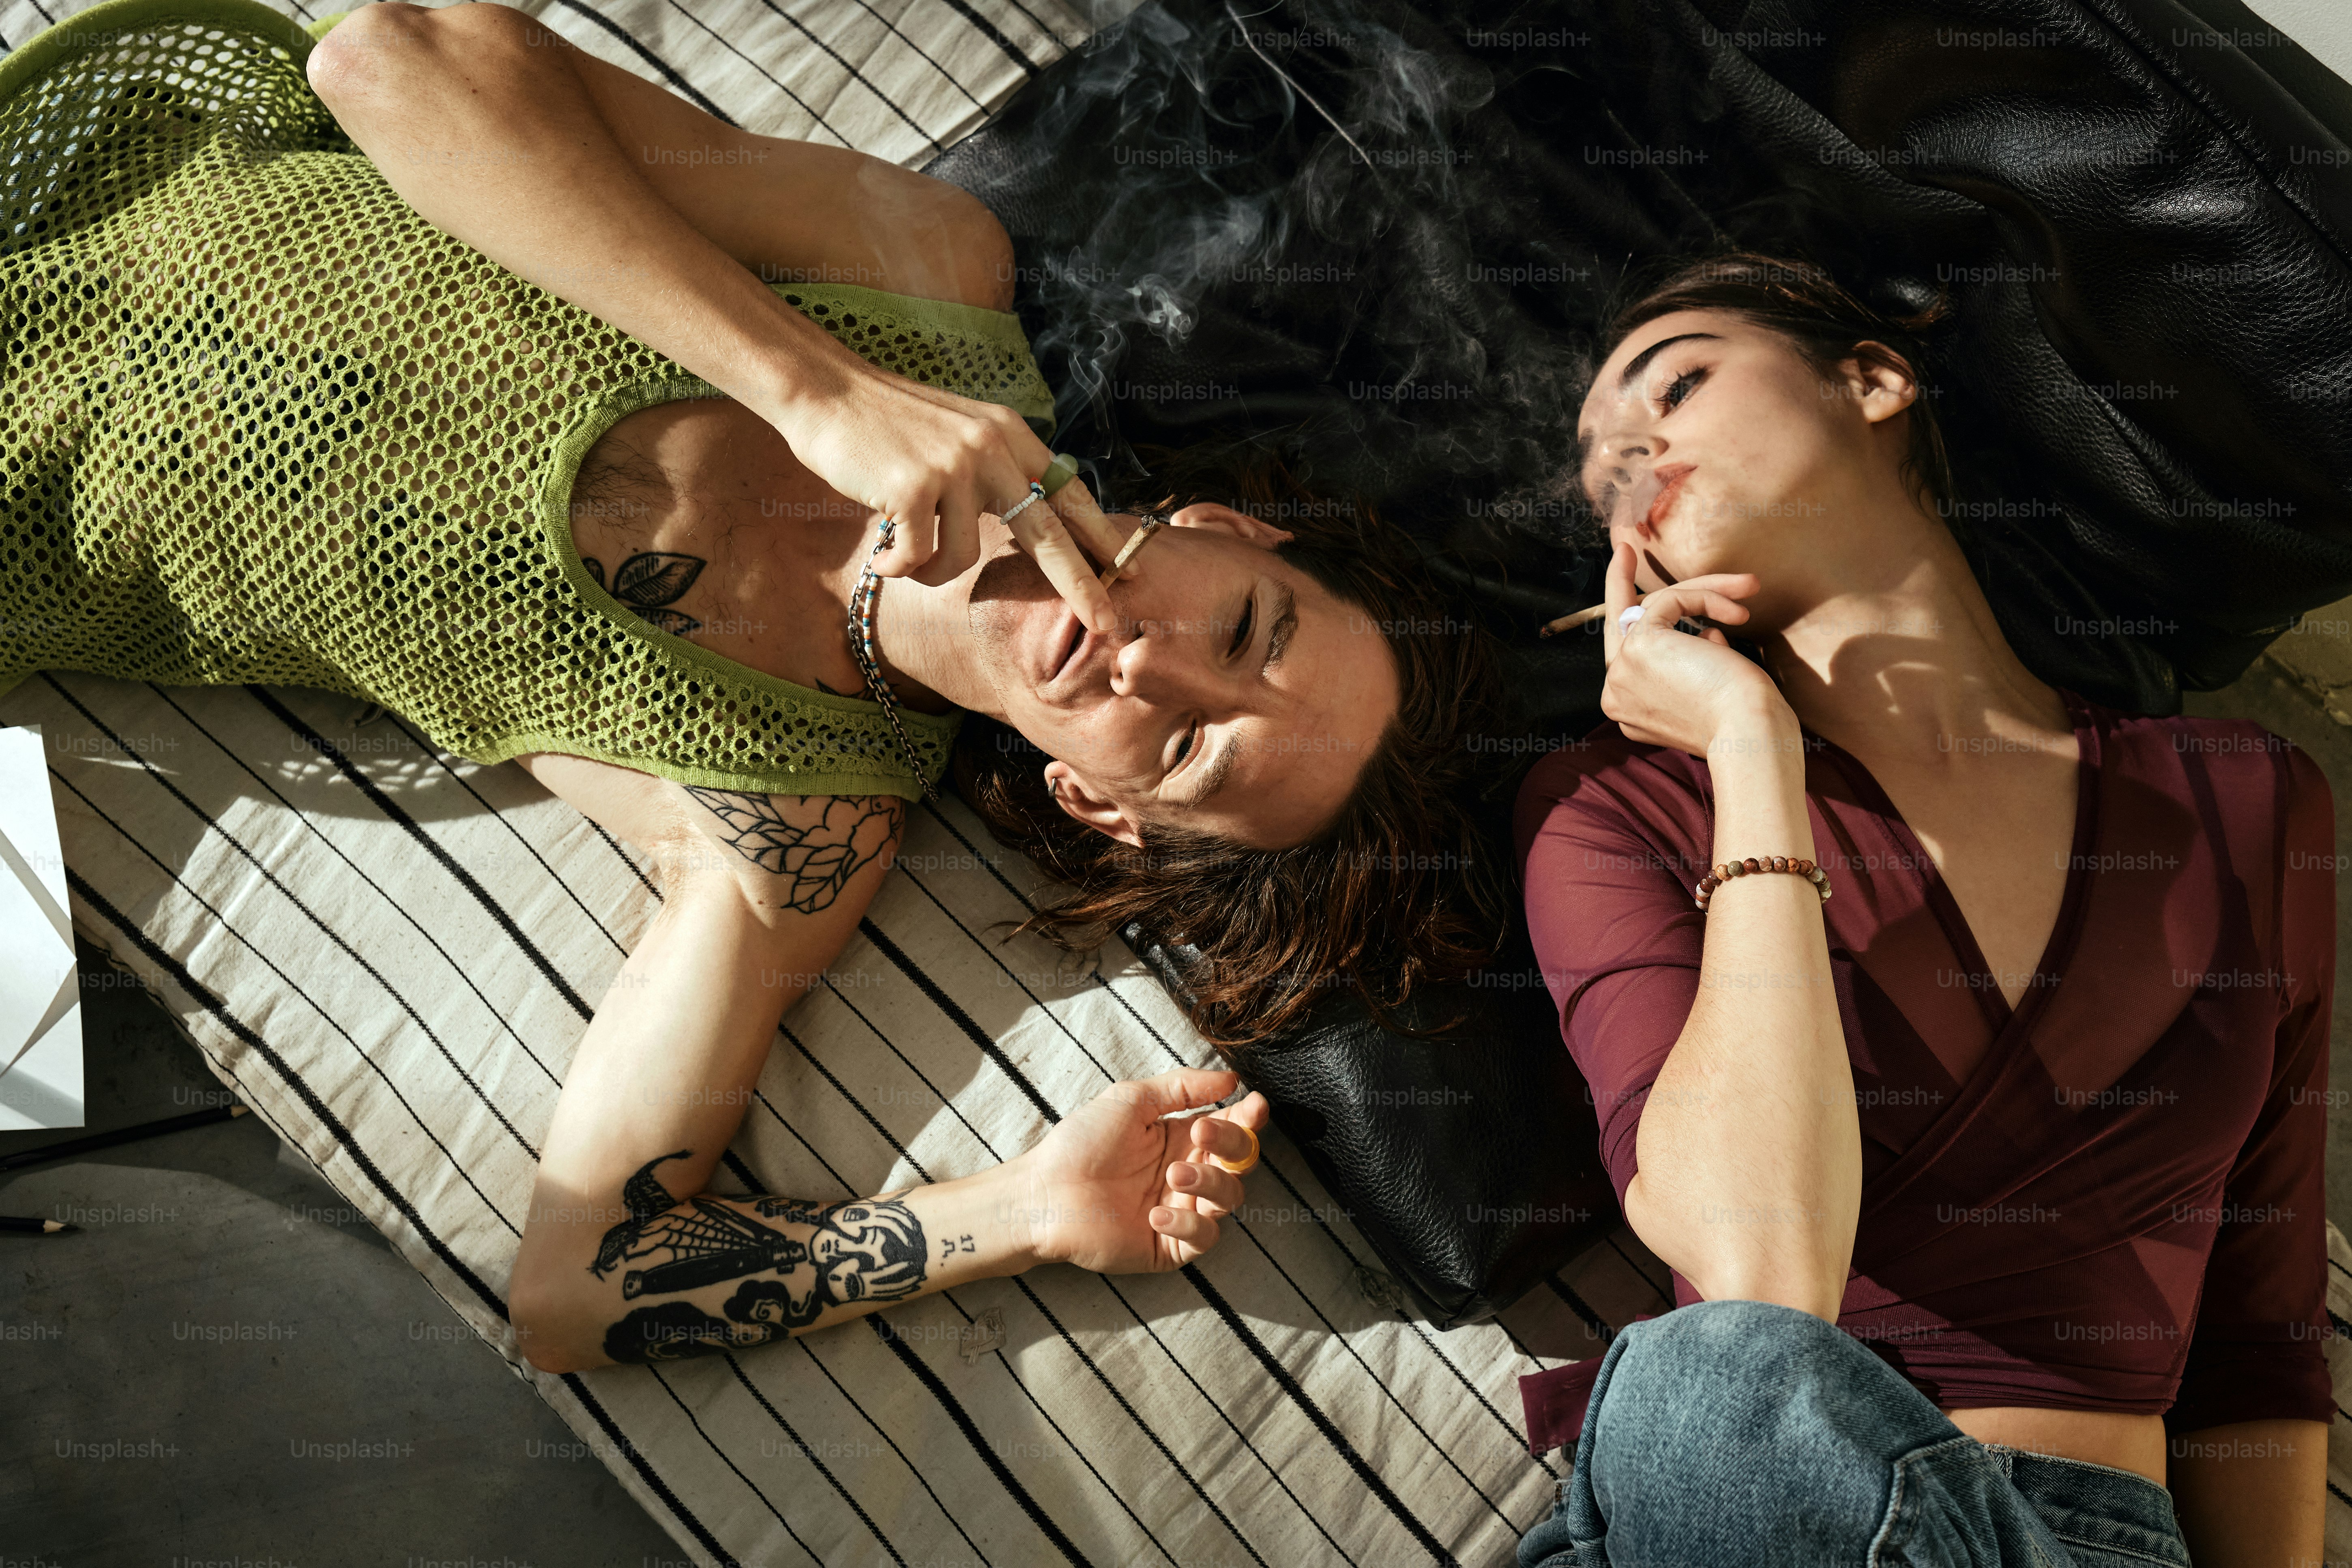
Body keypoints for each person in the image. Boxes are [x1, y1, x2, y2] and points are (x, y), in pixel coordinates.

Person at [0, 0, 1500, 1369]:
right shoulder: (924, 278)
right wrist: (816, 390)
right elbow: (390, 57)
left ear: (1098, 809)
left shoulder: (798, 819)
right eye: (1242, 629)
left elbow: (573, 1286)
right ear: (1227, 531)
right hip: (63, 176)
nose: (1150, 663)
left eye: (1183, 754)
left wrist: (1027, 1209)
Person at [1514, 251, 2330, 1564]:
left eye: (1676, 385)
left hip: (2087, 1544)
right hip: (1747, 1501)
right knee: (1702, 1378)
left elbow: (2259, 1341)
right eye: (1607, 477)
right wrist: (1747, 748)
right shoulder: (1613, 814)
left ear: (1874, 379)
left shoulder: (2251, 801)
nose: (1637, 456)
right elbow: (1762, 1277)